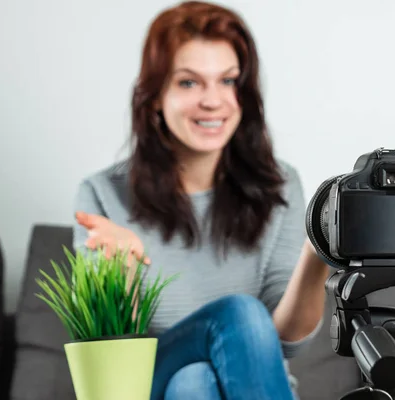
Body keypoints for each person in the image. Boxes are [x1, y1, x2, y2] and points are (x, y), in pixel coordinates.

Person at [72, 1, 330, 399]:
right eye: (189, 83)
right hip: (149, 386)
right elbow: (113, 382)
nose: (213, 101)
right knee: (240, 315)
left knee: (195, 382)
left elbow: (286, 341)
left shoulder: (280, 185)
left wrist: (318, 254)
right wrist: (120, 274)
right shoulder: (102, 195)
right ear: (155, 96)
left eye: (227, 81)